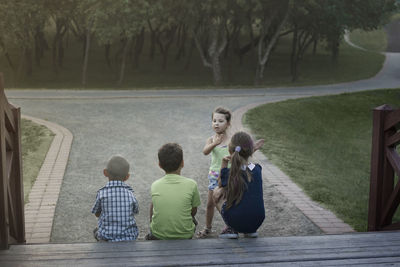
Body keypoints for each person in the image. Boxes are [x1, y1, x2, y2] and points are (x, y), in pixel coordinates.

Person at [213, 131, 265, 239]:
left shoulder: (230, 172)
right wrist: (250, 150)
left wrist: (224, 163)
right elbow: (247, 165)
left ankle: (231, 228)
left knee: (217, 192)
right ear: (250, 152)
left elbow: (220, 184)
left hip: (236, 220)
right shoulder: (257, 169)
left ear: (230, 150)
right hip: (257, 220)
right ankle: (250, 231)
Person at [146, 143, 201, 240]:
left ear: (160, 165)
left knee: (153, 204)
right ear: (182, 163)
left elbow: (154, 207)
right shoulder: (192, 184)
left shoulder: (155, 185)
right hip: (185, 235)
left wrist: (152, 221)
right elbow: (193, 211)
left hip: (159, 235)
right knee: (193, 219)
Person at [197, 107, 232, 238]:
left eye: (221, 121)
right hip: (214, 176)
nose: (216, 123)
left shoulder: (231, 140)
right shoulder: (211, 139)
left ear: (228, 124)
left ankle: (230, 225)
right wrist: (214, 144)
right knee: (211, 203)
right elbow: (205, 151)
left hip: (227, 175)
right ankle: (208, 228)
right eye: (214, 120)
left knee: (225, 201)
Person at [91, 155, 139, 242]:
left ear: (105, 172)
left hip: (106, 238)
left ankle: (101, 235)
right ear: (127, 177)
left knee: (96, 230)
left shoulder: (101, 193)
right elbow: (135, 212)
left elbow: (97, 214)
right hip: (129, 237)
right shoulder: (130, 194)